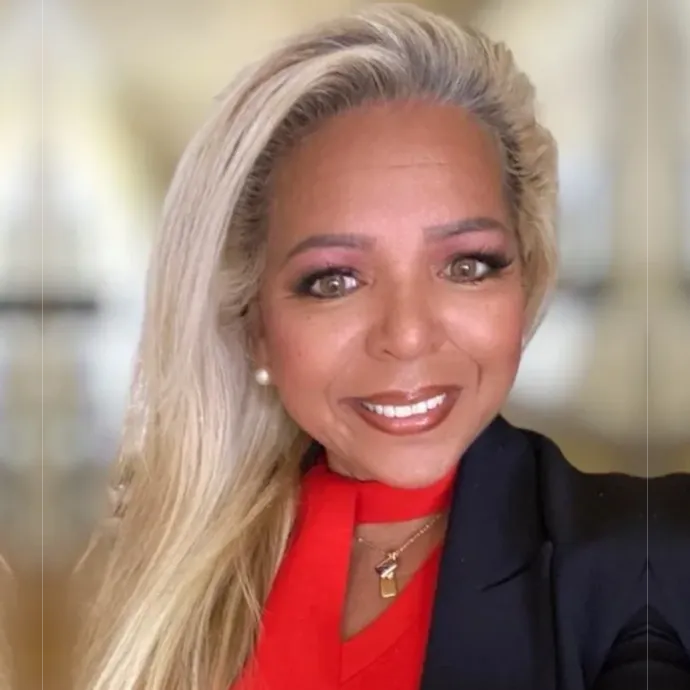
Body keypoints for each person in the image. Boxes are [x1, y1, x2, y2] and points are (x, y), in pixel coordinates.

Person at [74, 4, 690, 689]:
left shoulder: (640, 565)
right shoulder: (181, 578)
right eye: (334, 280)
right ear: (251, 322)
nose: (408, 335)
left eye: (467, 265)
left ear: (528, 273)